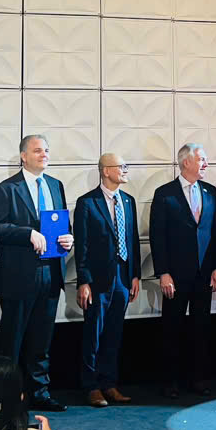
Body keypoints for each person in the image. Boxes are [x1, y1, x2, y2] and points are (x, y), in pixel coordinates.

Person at [0, 134, 73, 413]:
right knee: (11, 341)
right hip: (18, 276)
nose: (44, 155)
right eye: (37, 151)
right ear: (23, 156)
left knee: (41, 340)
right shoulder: (6, 189)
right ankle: (5, 396)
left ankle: (39, 392)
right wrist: (27, 234)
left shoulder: (55, 185)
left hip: (51, 272)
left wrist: (69, 238)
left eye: (46, 150)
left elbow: (62, 224)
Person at [150, 143, 216, 398]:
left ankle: (198, 379)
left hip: (205, 274)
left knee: (201, 328)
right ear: (186, 162)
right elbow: (158, 237)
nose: (206, 164)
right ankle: (170, 381)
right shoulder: (164, 194)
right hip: (175, 275)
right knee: (172, 328)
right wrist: (163, 272)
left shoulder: (210, 191)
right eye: (202, 159)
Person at [73, 152, 141, 408]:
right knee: (94, 334)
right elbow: (82, 245)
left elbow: (133, 240)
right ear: (105, 171)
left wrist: (135, 274)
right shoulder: (87, 203)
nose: (125, 170)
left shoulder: (128, 201)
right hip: (97, 281)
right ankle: (91, 387)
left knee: (114, 333)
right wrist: (84, 281)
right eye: (121, 166)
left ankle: (109, 383)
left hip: (123, 278)